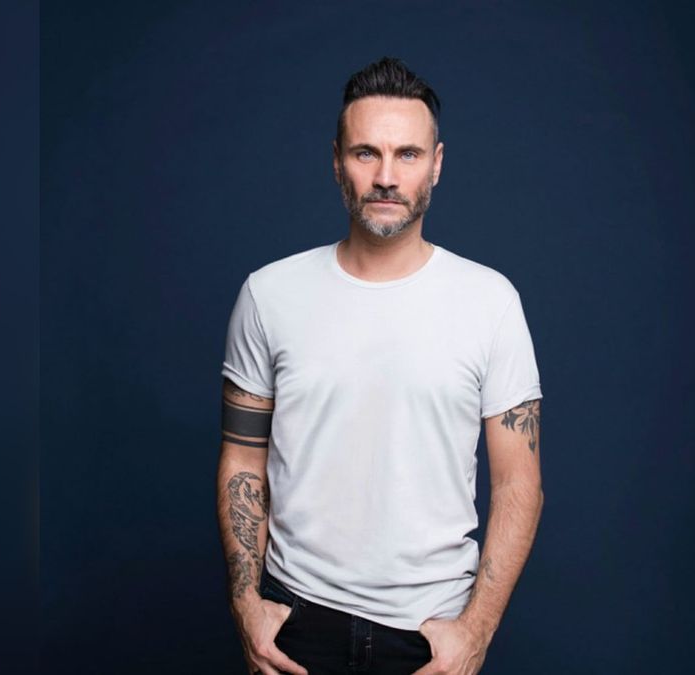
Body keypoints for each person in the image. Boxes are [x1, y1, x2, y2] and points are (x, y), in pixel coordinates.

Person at [217, 57, 544, 675]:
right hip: (295, 624)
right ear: (336, 160)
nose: (387, 177)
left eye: (408, 154)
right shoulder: (268, 294)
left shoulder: (490, 302)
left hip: (430, 635)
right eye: (366, 153)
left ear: (436, 163)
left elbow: (518, 483)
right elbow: (242, 459)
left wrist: (476, 630)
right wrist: (245, 606)